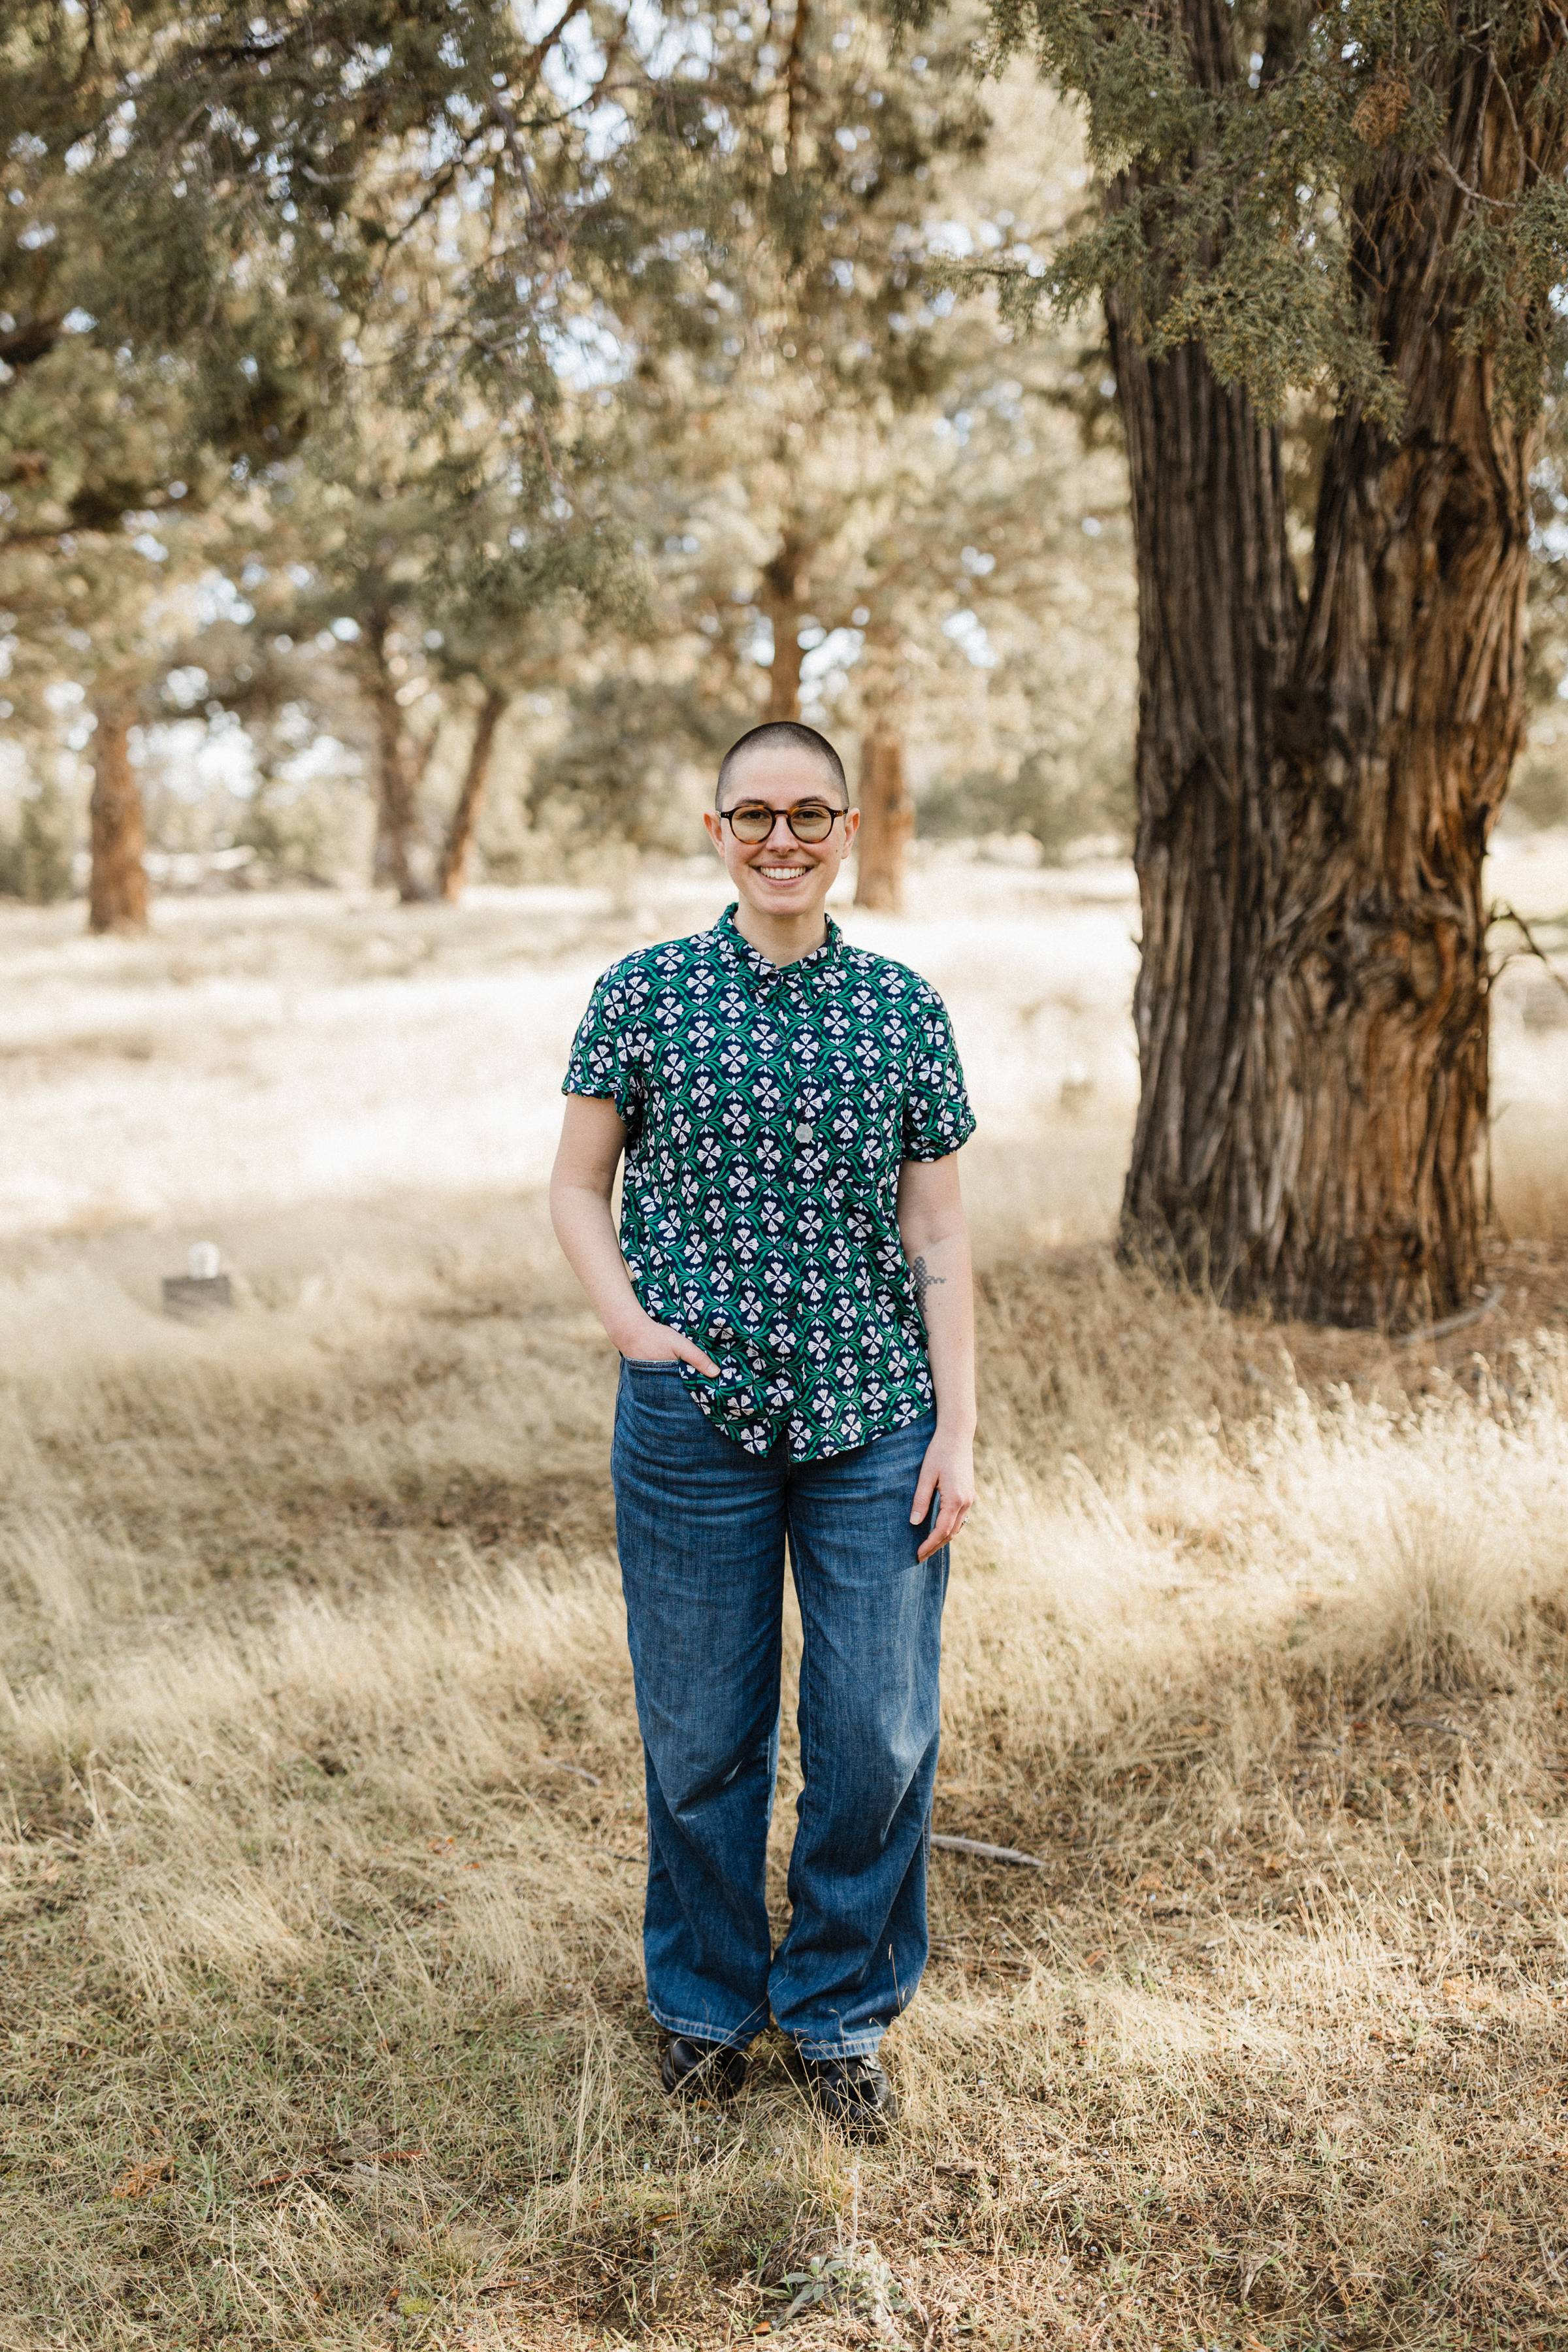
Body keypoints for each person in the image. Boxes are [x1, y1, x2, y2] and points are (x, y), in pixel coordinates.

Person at [549, 719, 976, 2132]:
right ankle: (709, 2007)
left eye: (810, 814)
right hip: (693, 1419)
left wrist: (956, 1429)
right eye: (754, 815)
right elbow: (576, 1186)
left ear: (850, 829)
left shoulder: (903, 1007)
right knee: (702, 1734)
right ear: (716, 829)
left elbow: (938, 1233)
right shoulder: (646, 993)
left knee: (877, 1730)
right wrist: (633, 1332)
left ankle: (841, 2011)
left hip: (874, 1418)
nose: (780, 838)